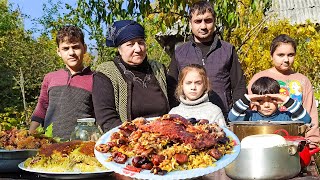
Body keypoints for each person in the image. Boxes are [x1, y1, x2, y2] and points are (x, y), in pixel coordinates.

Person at [167, 1, 247, 119]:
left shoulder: (227, 50)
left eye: (208, 20)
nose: (203, 26)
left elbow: (239, 86)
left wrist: (236, 116)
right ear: (190, 23)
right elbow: (171, 87)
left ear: (214, 21)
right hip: (186, 122)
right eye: (198, 21)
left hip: (223, 118)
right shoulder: (180, 52)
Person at [93, 20, 169, 132]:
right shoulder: (106, 74)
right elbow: (107, 120)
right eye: (130, 44)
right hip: (128, 140)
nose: (138, 49)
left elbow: (174, 106)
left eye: (141, 42)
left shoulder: (159, 69)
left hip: (165, 136)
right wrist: (139, 136)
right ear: (119, 49)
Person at [247, 34, 319, 143]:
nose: (286, 59)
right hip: (263, 140)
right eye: (280, 55)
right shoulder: (259, 78)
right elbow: (252, 111)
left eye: (290, 55)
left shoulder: (302, 80)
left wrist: (312, 142)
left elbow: (310, 113)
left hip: (295, 141)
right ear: (271, 56)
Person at [29, 25, 94, 140]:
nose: (71, 53)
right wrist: (31, 135)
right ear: (58, 51)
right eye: (65, 48)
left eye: (76, 47)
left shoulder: (96, 79)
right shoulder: (50, 78)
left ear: (84, 48)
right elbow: (41, 108)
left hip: (81, 145)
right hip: (49, 143)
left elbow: (101, 115)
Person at [229, 77, 311, 123]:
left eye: (271, 100)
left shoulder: (286, 117)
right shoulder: (249, 117)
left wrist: (286, 100)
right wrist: (247, 99)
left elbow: (306, 120)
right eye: (261, 101)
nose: (266, 105)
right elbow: (232, 118)